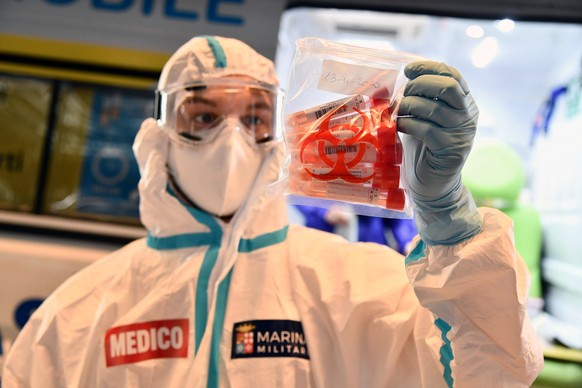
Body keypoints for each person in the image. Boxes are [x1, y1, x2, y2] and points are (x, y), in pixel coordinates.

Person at [2, 35, 543, 387]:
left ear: (281, 137)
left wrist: (450, 223)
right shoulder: (82, 310)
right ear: (157, 139)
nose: (231, 140)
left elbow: (493, 371)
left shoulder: (358, 288)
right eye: (202, 115)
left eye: (255, 117)